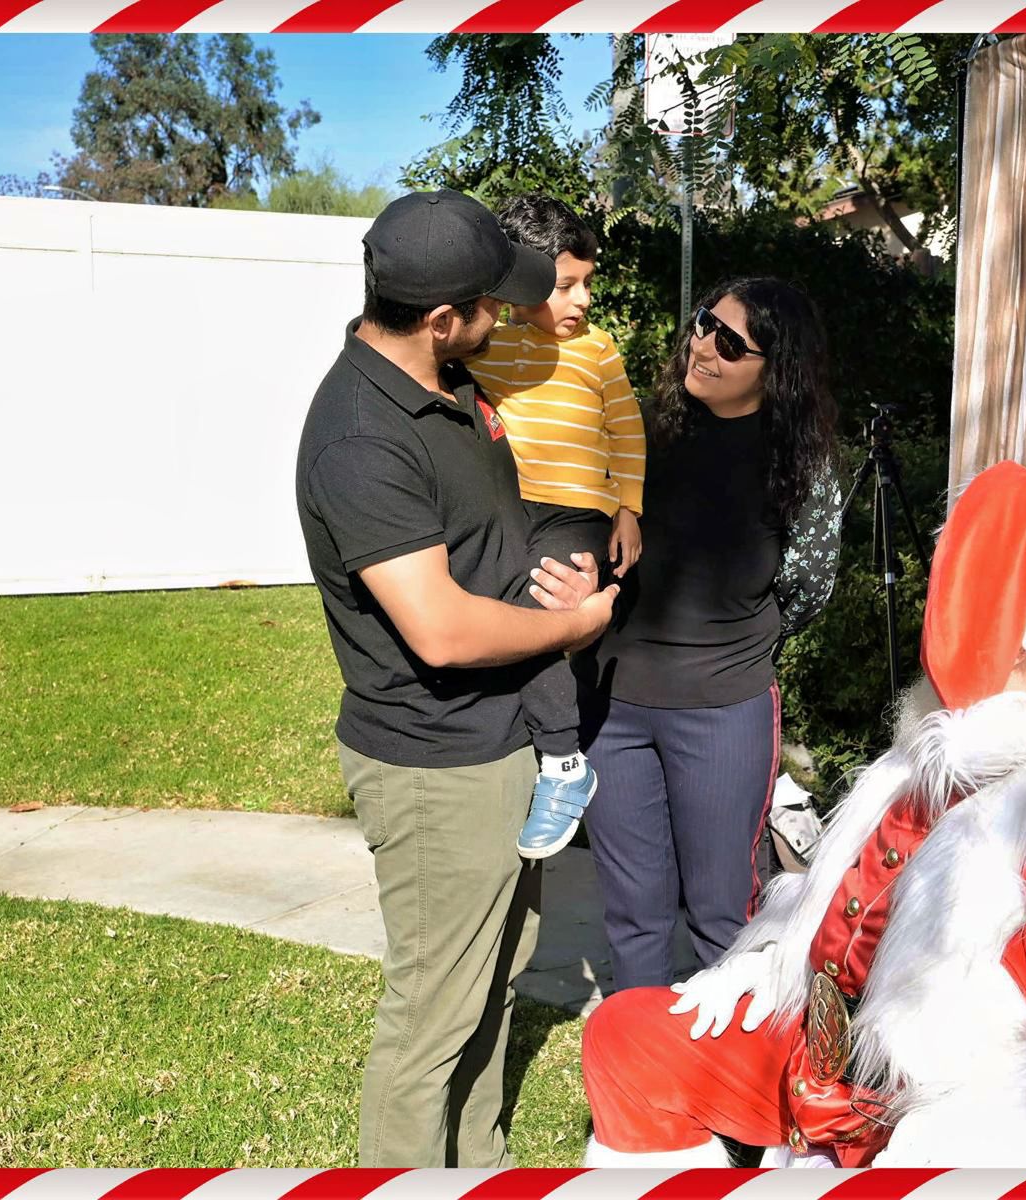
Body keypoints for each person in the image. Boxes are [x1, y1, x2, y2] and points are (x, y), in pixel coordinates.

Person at [577, 462, 1026, 1168]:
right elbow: (845, 904)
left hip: (943, 1106)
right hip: (828, 1058)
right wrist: (773, 960)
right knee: (628, 1040)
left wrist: (939, 1150)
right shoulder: (953, 737)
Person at [294, 189, 617, 1168]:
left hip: (502, 738)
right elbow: (437, 629)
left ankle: (478, 1168)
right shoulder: (361, 437)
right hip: (438, 770)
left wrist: (556, 577)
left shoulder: (447, 382)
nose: (507, 313)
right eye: (491, 302)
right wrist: (574, 626)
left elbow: (488, 545)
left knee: (495, 982)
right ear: (442, 316)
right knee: (433, 1018)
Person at [585, 277, 843, 995]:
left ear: (776, 369)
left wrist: (733, 646)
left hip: (723, 713)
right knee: (634, 918)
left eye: (730, 343)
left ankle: (723, 1068)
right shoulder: (638, 431)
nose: (702, 346)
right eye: (704, 323)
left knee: (724, 916)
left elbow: (809, 583)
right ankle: (637, 1066)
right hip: (612, 708)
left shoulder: (802, 463)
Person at [463, 194, 647, 860]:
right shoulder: (487, 345)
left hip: (577, 512)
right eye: (566, 285)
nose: (583, 299)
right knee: (508, 617)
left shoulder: (597, 351)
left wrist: (629, 509)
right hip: (514, 511)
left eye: (587, 283)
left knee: (543, 614)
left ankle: (565, 764)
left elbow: (626, 430)